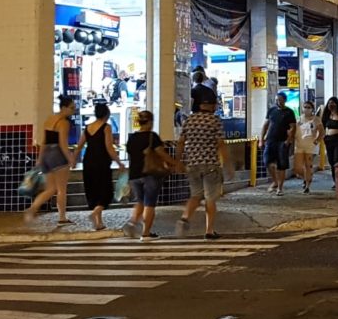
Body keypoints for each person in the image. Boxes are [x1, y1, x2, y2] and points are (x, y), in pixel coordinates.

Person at [176, 94, 228, 239]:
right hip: (210, 164)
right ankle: (209, 231)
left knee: (195, 195)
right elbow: (220, 143)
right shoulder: (214, 120)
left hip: (192, 164)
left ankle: (185, 216)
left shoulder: (189, 120)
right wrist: (228, 164)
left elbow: (180, 142)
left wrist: (178, 160)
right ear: (212, 106)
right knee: (210, 199)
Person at [122, 110, 181, 239]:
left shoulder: (131, 138)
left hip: (134, 175)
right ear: (149, 122)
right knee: (149, 204)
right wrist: (175, 163)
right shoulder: (151, 136)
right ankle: (146, 233)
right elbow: (162, 153)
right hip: (149, 174)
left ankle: (132, 223)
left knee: (140, 201)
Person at [24, 95, 78, 225]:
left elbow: (44, 141)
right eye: (71, 108)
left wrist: (40, 158)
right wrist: (71, 158)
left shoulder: (49, 119)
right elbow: (63, 144)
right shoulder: (64, 123)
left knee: (50, 189)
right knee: (61, 189)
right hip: (57, 155)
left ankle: (32, 208)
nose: (73, 110)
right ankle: (62, 217)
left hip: (47, 155)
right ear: (64, 107)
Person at [76, 103, 126, 231]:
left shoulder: (87, 128)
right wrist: (119, 162)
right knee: (106, 192)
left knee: (93, 191)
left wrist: (73, 159)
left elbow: (79, 145)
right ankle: (94, 214)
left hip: (88, 162)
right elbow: (109, 147)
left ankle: (98, 222)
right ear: (107, 114)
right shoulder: (106, 127)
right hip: (101, 162)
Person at [260, 92, 296, 196]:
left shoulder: (289, 112)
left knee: (281, 165)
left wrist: (288, 140)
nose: (278, 101)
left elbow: (293, 127)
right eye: (276, 100)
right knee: (267, 161)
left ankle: (280, 187)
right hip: (270, 140)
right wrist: (261, 139)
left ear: (284, 100)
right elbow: (265, 125)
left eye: (280, 99)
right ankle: (275, 181)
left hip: (282, 141)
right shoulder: (271, 110)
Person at [294, 101, 324, 194]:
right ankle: (305, 177)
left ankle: (307, 185)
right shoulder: (299, 119)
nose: (306, 109)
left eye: (308, 107)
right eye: (305, 107)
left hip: (310, 146)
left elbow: (322, 132)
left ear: (312, 109)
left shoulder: (316, 119)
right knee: (298, 168)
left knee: (308, 165)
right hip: (299, 145)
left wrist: (317, 140)